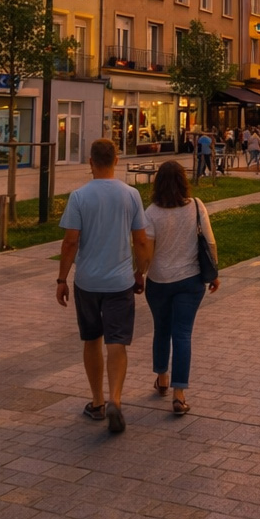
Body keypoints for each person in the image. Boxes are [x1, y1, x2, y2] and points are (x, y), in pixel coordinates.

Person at [55, 139, 154, 435]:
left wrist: (61, 279)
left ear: (90, 162)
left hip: (87, 281)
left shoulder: (79, 196)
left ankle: (97, 402)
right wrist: (141, 272)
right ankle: (116, 400)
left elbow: (71, 241)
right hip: (120, 282)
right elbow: (140, 239)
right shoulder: (131, 195)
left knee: (92, 339)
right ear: (117, 159)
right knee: (117, 342)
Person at [143, 160, 219, 416]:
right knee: (183, 334)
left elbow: (146, 252)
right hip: (190, 280)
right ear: (183, 181)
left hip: (158, 281)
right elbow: (209, 242)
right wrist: (214, 274)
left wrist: (139, 274)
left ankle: (162, 378)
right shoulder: (196, 206)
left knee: (161, 330)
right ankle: (179, 394)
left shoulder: (151, 212)